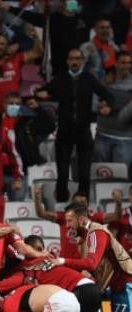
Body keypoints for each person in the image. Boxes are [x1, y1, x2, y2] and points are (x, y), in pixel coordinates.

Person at [47, 204, 132, 312]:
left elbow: (91, 263)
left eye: (70, 221)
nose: (68, 226)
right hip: (120, 285)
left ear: (81, 219)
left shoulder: (96, 233)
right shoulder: (88, 235)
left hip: (125, 284)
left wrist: (62, 261)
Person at [35, 48, 114, 202]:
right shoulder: (60, 78)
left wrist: (107, 106)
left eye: (78, 58)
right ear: (67, 62)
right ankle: (62, 204)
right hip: (64, 131)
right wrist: (43, 94)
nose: (75, 61)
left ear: (83, 61)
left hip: (83, 130)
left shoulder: (88, 79)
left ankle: (83, 202)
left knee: (84, 172)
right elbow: (40, 92)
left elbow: (108, 96)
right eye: (72, 58)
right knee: (63, 173)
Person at [0, 0, 91, 76]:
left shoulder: (83, 19)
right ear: (62, 3)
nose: (72, 2)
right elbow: (30, 16)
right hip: (59, 67)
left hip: (81, 66)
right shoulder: (52, 19)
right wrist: (8, 8)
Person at [33, 186, 122, 258]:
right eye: (76, 204)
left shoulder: (94, 217)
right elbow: (41, 213)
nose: (79, 207)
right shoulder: (64, 216)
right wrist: (37, 198)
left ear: (87, 205)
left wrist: (118, 203)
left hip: (86, 267)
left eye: (82, 203)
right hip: (66, 265)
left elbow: (116, 216)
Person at [1, 92, 55, 200]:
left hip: (20, 172)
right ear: (4, 104)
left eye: (17, 104)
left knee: (17, 204)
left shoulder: (28, 122)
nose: (14, 106)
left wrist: (38, 109)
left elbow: (50, 127)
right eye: (10, 103)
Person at [94, 51, 132, 176]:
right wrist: (99, 107)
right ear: (115, 64)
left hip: (125, 139)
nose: (126, 66)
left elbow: (125, 115)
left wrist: (111, 107)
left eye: (129, 63)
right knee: (100, 178)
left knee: (120, 180)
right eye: (123, 63)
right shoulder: (105, 80)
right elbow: (92, 100)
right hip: (102, 135)